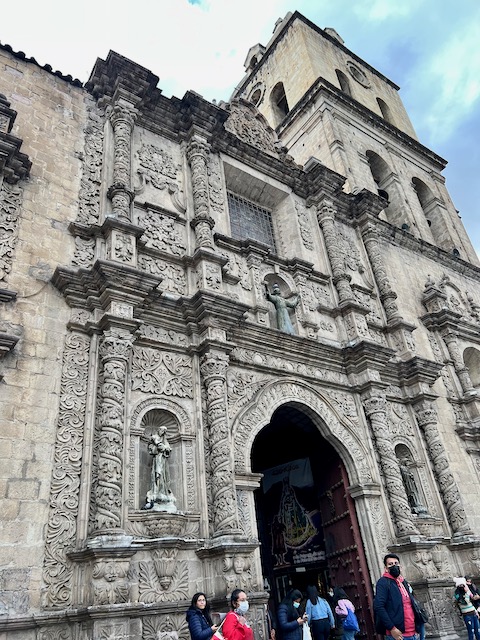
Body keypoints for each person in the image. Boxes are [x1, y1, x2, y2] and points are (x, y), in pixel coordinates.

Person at [373, 553, 421, 640]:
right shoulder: (383, 582)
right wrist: (392, 628)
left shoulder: (403, 582)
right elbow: (379, 606)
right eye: (390, 564)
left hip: (413, 632)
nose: (394, 566)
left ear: (400, 566)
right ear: (386, 568)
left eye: (396, 563)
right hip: (397, 634)